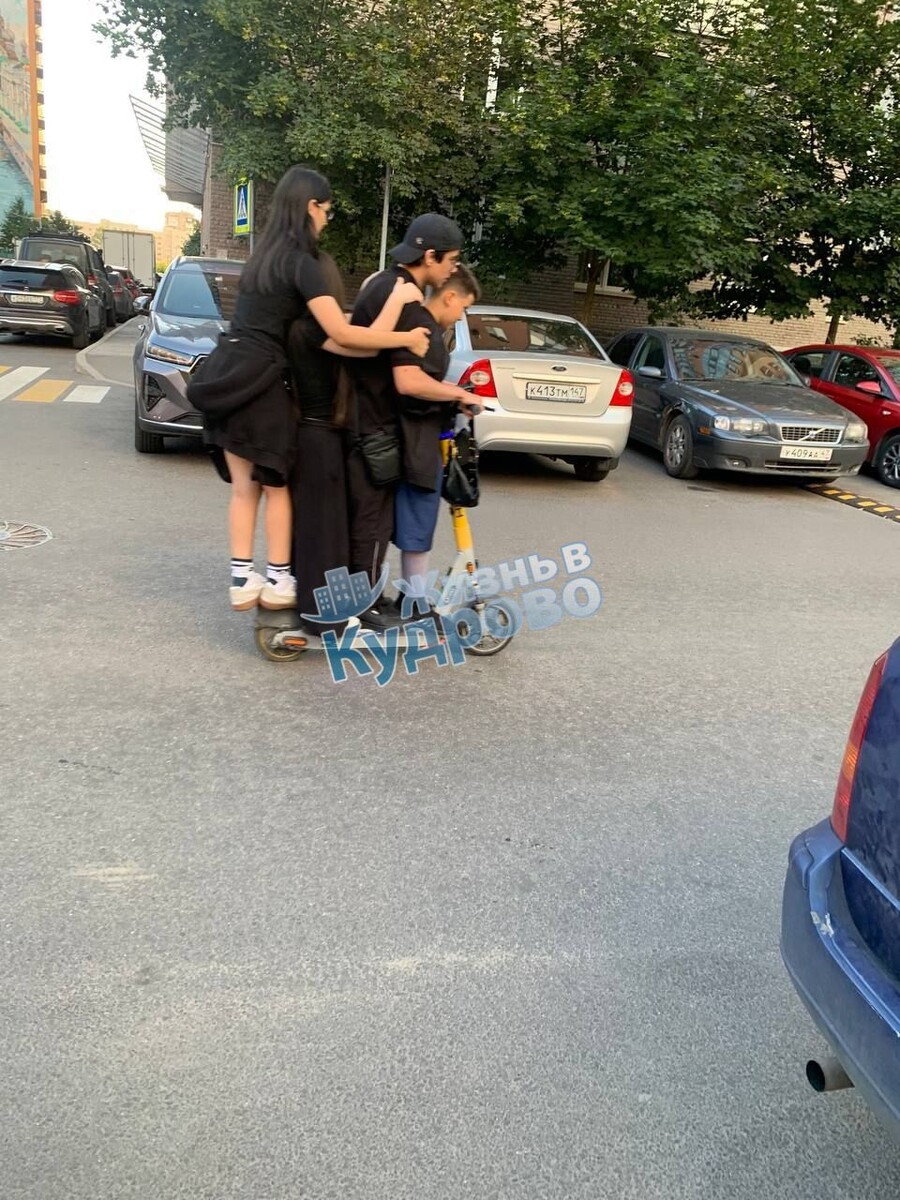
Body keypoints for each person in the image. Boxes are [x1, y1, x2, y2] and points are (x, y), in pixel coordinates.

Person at [193, 165, 430, 613]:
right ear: (310, 207)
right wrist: (404, 334)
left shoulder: (261, 260)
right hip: (262, 384)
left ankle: (241, 578)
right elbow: (341, 333)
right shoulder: (303, 263)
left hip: (226, 373)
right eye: (327, 211)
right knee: (277, 484)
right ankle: (280, 579)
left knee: (244, 488)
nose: (326, 220)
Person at [345, 213, 475, 623]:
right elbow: (407, 379)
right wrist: (457, 394)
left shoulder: (386, 285)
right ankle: (363, 607)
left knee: (377, 524)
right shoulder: (406, 300)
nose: (453, 268)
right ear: (430, 256)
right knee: (373, 524)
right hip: (377, 427)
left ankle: (376, 600)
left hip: (369, 423)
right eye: (451, 260)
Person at [286, 251, 422, 631]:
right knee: (326, 534)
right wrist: (399, 306)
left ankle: (321, 606)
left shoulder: (300, 325)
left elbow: (358, 329)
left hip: (313, 434)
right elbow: (368, 343)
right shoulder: (311, 328)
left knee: (321, 530)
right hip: (319, 436)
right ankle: (325, 617)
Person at [390, 265, 482, 612]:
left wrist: (456, 395)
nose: (461, 316)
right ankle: (413, 602)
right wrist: (456, 394)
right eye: (463, 307)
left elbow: (424, 379)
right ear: (450, 296)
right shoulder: (423, 329)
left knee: (418, 521)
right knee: (418, 522)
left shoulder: (427, 328)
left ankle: (412, 597)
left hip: (420, 436)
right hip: (417, 438)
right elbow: (410, 381)